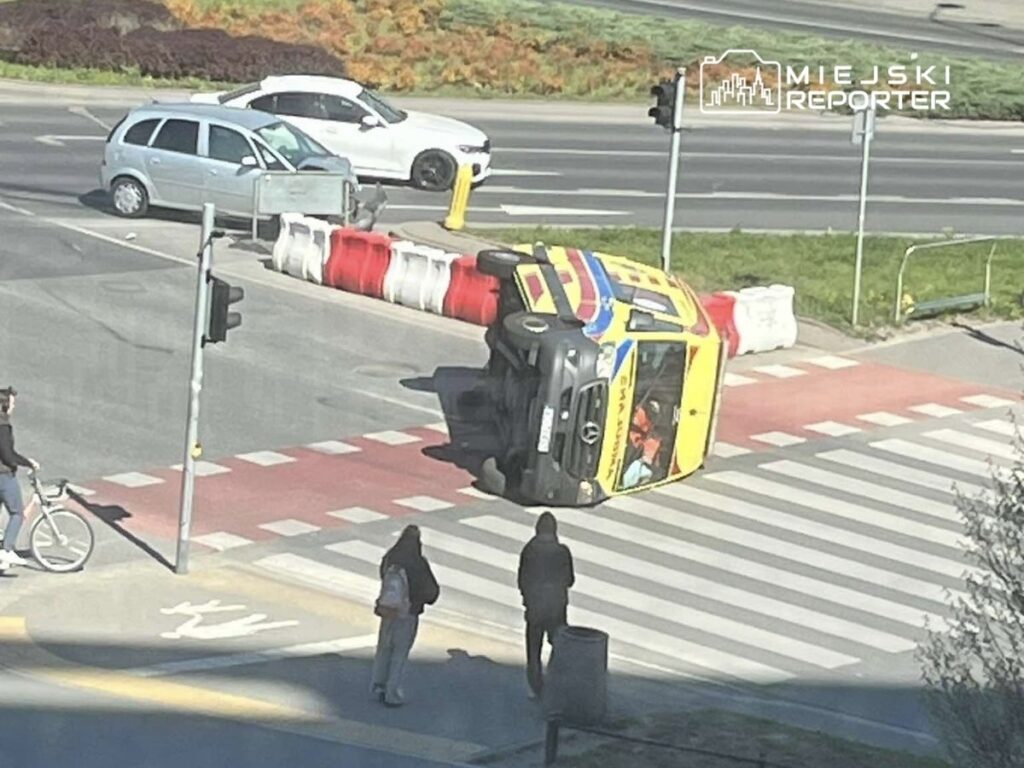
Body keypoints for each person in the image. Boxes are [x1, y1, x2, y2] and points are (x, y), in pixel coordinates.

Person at [370, 525, 439, 707]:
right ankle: (392, 692)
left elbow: (382, 575)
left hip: (388, 611)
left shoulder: (390, 557)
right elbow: (430, 591)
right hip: (408, 613)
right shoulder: (418, 563)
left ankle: (379, 685)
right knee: (399, 652)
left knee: (384, 648)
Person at [517, 511, 575, 699]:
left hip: (535, 608)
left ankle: (537, 690)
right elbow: (570, 580)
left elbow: (522, 579)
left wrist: (528, 597)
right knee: (560, 647)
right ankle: (557, 686)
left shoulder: (529, 550)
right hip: (557, 608)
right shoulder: (562, 552)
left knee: (533, 652)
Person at [0, 387, 37, 569]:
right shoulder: (3, 426)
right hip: (3, 476)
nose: (14, 407)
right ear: (4, 406)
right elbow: (8, 455)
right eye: (12, 403)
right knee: (16, 513)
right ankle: (6, 552)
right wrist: (27, 462)